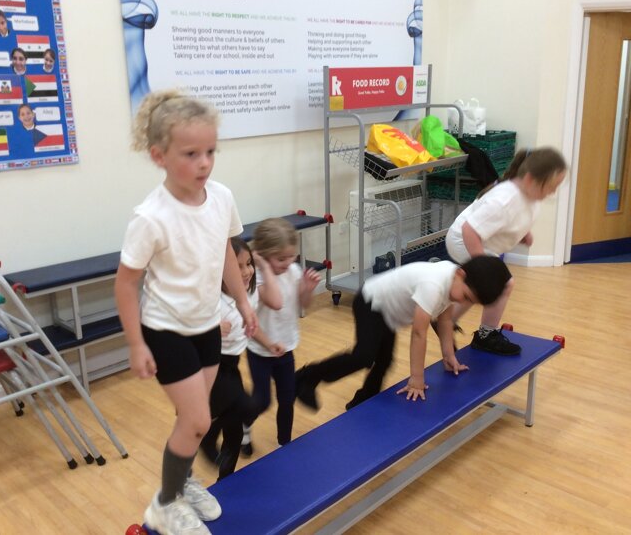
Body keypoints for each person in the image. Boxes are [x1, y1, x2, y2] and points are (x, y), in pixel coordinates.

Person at [114, 90, 258, 535]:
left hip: (206, 325)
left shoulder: (221, 198)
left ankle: (182, 481)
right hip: (165, 330)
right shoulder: (151, 217)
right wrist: (136, 344)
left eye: (210, 151)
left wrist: (242, 301)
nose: (204, 163)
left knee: (196, 418)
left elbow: (225, 254)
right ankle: (164, 503)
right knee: (196, 420)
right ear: (159, 156)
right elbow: (125, 283)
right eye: (191, 154)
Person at [295, 256, 512, 410]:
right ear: (460, 274)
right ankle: (306, 376)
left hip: (389, 313)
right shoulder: (433, 284)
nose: (462, 301)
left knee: (384, 361)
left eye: (469, 301)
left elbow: (445, 319)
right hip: (371, 302)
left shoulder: (454, 283)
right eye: (466, 296)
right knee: (363, 357)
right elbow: (419, 333)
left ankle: (362, 403)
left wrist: (449, 355)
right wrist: (416, 378)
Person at [444, 147, 567, 355]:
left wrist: (523, 233)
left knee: (479, 287)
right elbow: (469, 230)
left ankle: (446, 319)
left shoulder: (529, 194)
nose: (553, 192)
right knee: (503, 284)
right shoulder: (504, 200)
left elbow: (518, 216)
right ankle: (486, 335)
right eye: (551, 187)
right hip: (463, 240)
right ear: (530, 180)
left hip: (480, 241)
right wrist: (482, 268)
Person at [199, 237, 281, 480]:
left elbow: (250, 326)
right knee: (249, 405)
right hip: (212, 366)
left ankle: (226, 480)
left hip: (231, 365)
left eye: (248, 264)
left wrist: (269, 343)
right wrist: (211, 329)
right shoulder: (211, 301)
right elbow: (187, 334)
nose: (246, 272)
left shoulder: (248, 295)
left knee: (234, 433)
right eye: (238, 266)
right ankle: (207, 436)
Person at [242, 218, 320, 454]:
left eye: (291, 257)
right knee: (262, 400)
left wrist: (307, 290)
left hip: (285, 348)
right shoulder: (256, 279)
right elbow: (272, 303)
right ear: (263, 256)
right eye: (281, 259)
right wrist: (264, 267)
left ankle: (283, 444)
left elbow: (303, 305)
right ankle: (243, 427)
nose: (288, 263)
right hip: (260, 350)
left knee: (287, 398)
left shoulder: (293, 271)